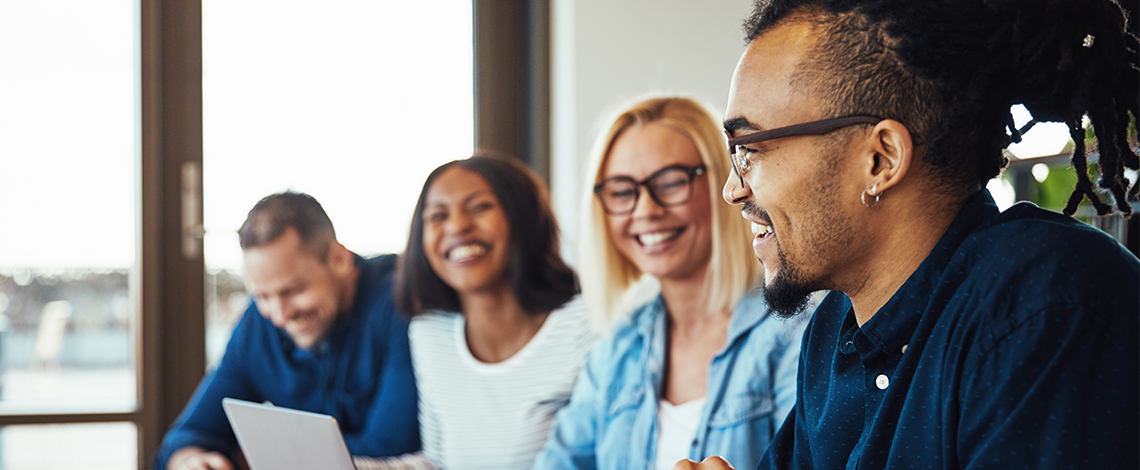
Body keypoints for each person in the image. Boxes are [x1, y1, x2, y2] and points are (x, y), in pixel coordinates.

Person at [679, 0, 1139, 468]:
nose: (732, 189)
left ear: (881, 159)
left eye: (750, 149)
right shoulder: (835, 330)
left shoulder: (1047, 303)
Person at [534, 96, 809, 470]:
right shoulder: (619, 348)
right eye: (621, 190)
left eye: (670, 182)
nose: (645, 210)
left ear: (725, 184)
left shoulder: (796, 333)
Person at [355, 154, 597, 470]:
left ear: (523, 218)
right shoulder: (430, 331)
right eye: (438, 216)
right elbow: (438, 463)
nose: (457, 226)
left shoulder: (587, 326)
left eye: (480, 208)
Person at [154, 192, 419, 470]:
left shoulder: (401, 300)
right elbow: (189, 434)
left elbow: (388, 451)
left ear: (340, 258)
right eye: (263, 296)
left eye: (292, 291)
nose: (279, 317)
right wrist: (192, 461)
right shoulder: (257, 323)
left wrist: (253, 457)